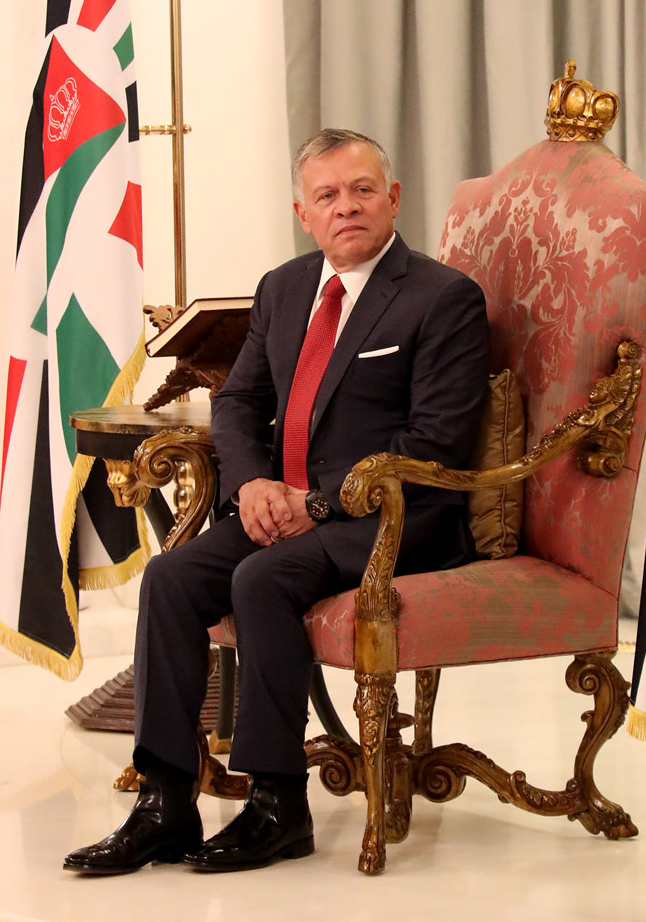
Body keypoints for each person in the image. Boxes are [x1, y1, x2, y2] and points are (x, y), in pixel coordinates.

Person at [64, 128, 491, 876]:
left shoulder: (442, 297)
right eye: (327, 195)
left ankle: (276, 804)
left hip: (393, 519)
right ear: (303, 211)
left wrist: (316, 505)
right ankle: (164, 802)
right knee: (169, 579)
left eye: (362, 190)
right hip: (282, 506)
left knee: (258, 579)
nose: (346, 207)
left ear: (392, 198)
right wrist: (254, 484)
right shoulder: (284, 288)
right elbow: (237, 402)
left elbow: (437, 442)